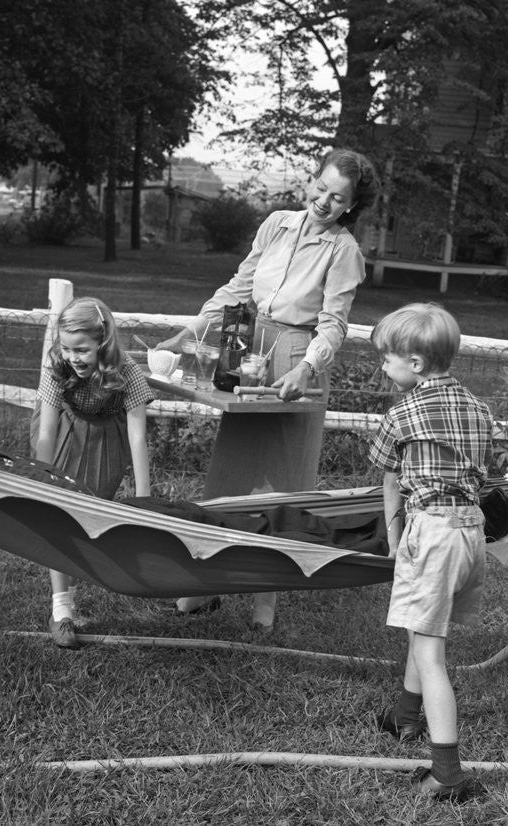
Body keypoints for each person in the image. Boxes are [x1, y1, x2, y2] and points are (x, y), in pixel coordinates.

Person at [0, 372, 389, 629]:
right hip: (123, 534)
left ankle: (368, 528)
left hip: (125, 518)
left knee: (255, 522)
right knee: (259, 531)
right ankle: (378, 537)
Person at [157, 147, 379, 630]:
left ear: (350, 206)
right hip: (250, 346)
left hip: (297, 363)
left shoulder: (344, 252)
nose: (323, 201)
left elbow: (334, 325)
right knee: (232, 474)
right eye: (320, 188)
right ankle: (204, 585)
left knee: (284, 486)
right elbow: (239, 287)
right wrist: (192, 332)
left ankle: (265, 603)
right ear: (311, 181)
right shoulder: (276, 223)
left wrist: (307, 369)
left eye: (337, 198)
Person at [367, 302, 492, 803]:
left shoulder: (402, 413)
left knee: (430, 652)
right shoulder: (479, 408)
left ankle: (447, 773)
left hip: (433, 533)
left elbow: (387, 473)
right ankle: (404, 718)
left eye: (387, 358)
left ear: (415, 363)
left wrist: (396, 538)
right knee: (428, 627)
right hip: (471, 533)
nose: (382, 365)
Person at [28, 296, 155, 648]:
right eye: (67, 348)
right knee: (58, 515)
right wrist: (45, 476)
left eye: (81, 349)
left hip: (104, 438)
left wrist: (145, 500)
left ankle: (83, 574)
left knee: (89, 516)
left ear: (103, 341)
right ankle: (61, 609)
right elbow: (47, 433)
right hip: (65, 433)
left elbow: (138, 434)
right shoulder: (57, 364)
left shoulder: (126, 371)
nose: (73, 357)